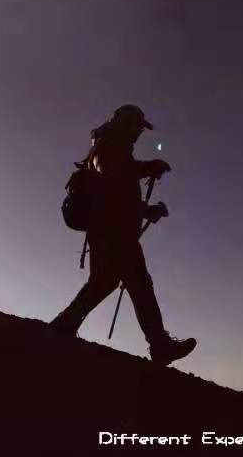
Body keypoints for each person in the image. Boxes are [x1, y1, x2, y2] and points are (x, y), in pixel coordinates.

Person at [50, 105, 196, 365]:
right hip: (112, 230)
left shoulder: (109, 147)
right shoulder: (108, 147)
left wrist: (145, 200)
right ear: (126, 124)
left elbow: (119, 184)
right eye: (138, 126)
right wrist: (148, 180)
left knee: (104, 282)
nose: (140, 132)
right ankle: (160, 345)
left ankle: (64, 324)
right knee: (138, 282)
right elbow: (115, 185)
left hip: (110, 229)